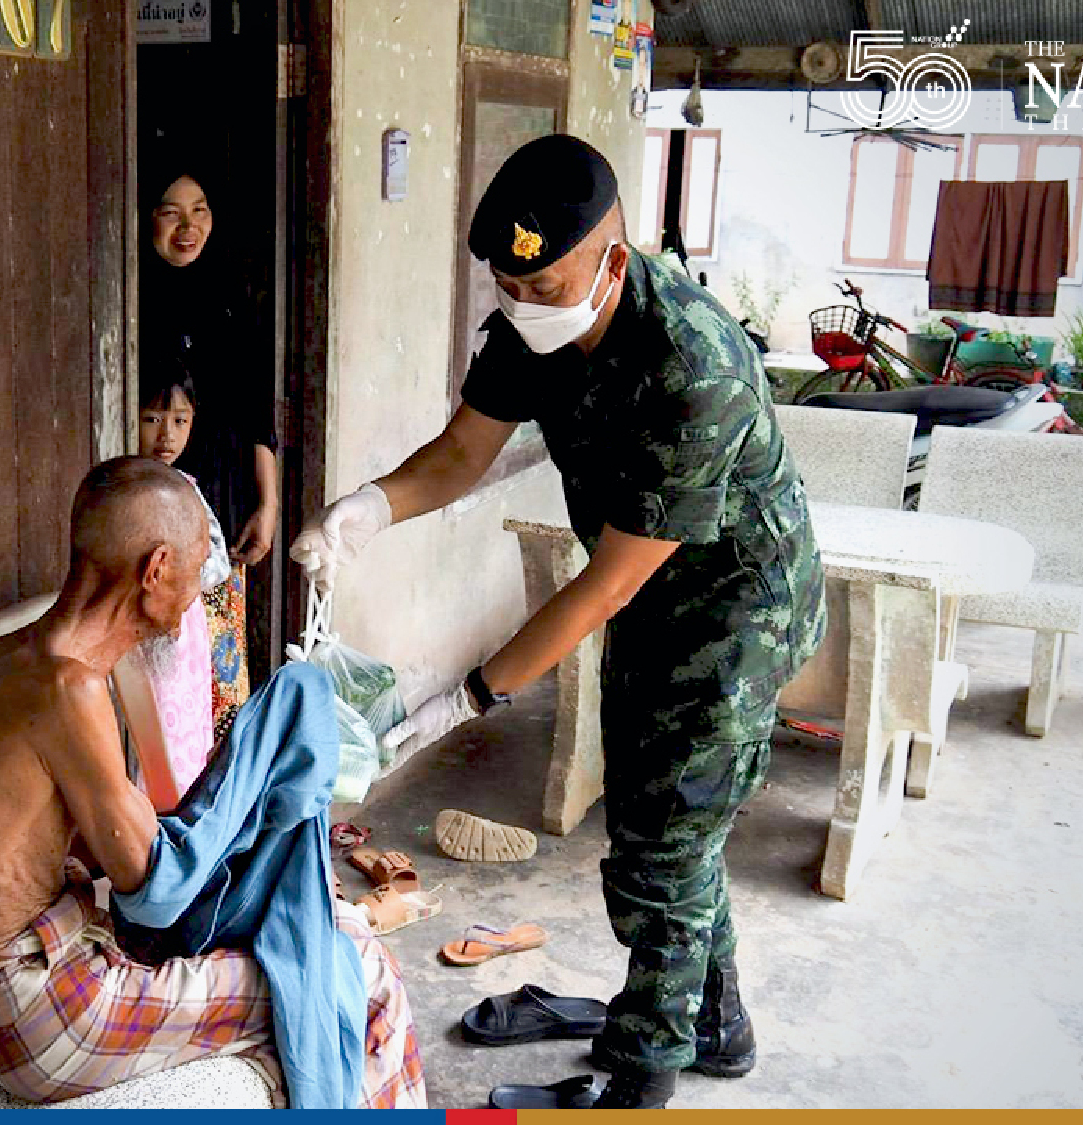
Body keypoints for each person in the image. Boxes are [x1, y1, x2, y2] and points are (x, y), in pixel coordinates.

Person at [289, 134, 826, 1109]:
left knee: (662, 839)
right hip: (647, 586)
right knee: (663, 812)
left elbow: (605, 584)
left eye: (544, 286)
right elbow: (459, 454)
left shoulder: (690, 364)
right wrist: (367, 507)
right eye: (507, 285)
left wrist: (472, 693)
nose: (522, 305)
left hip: (738, 599)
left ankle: (639, 1074)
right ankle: (717, 1022)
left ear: (612, 262)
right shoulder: (527, 328)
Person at [0, 457, 425, 1109]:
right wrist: (252, 780)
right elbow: (152, 887)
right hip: (47, 1014)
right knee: (351, 972)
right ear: (156, 568)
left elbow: (91, 846)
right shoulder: (66, 692)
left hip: (23, 977)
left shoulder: (2, 659)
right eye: (195, 566)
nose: (199, 591)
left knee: (336, 935)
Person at [141, 162, 280, 569]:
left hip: (224, 491)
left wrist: (267, 504)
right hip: (151, 492)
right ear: (147, 216)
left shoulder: (233, 296)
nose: (188, 227)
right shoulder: (131, 297)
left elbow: (256, 408)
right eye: (171, 213)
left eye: (199, 211)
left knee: (215, 624)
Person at [136, 359, 251, 782]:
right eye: (152, 419)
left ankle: (178, 808)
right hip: (139, 631)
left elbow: (218, 560)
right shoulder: (122, 487)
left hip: (183, 629)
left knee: (179, 722)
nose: (166, 435)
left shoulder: (187, 489)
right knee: (142, 720)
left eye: (179, 421)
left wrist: (175, 580)